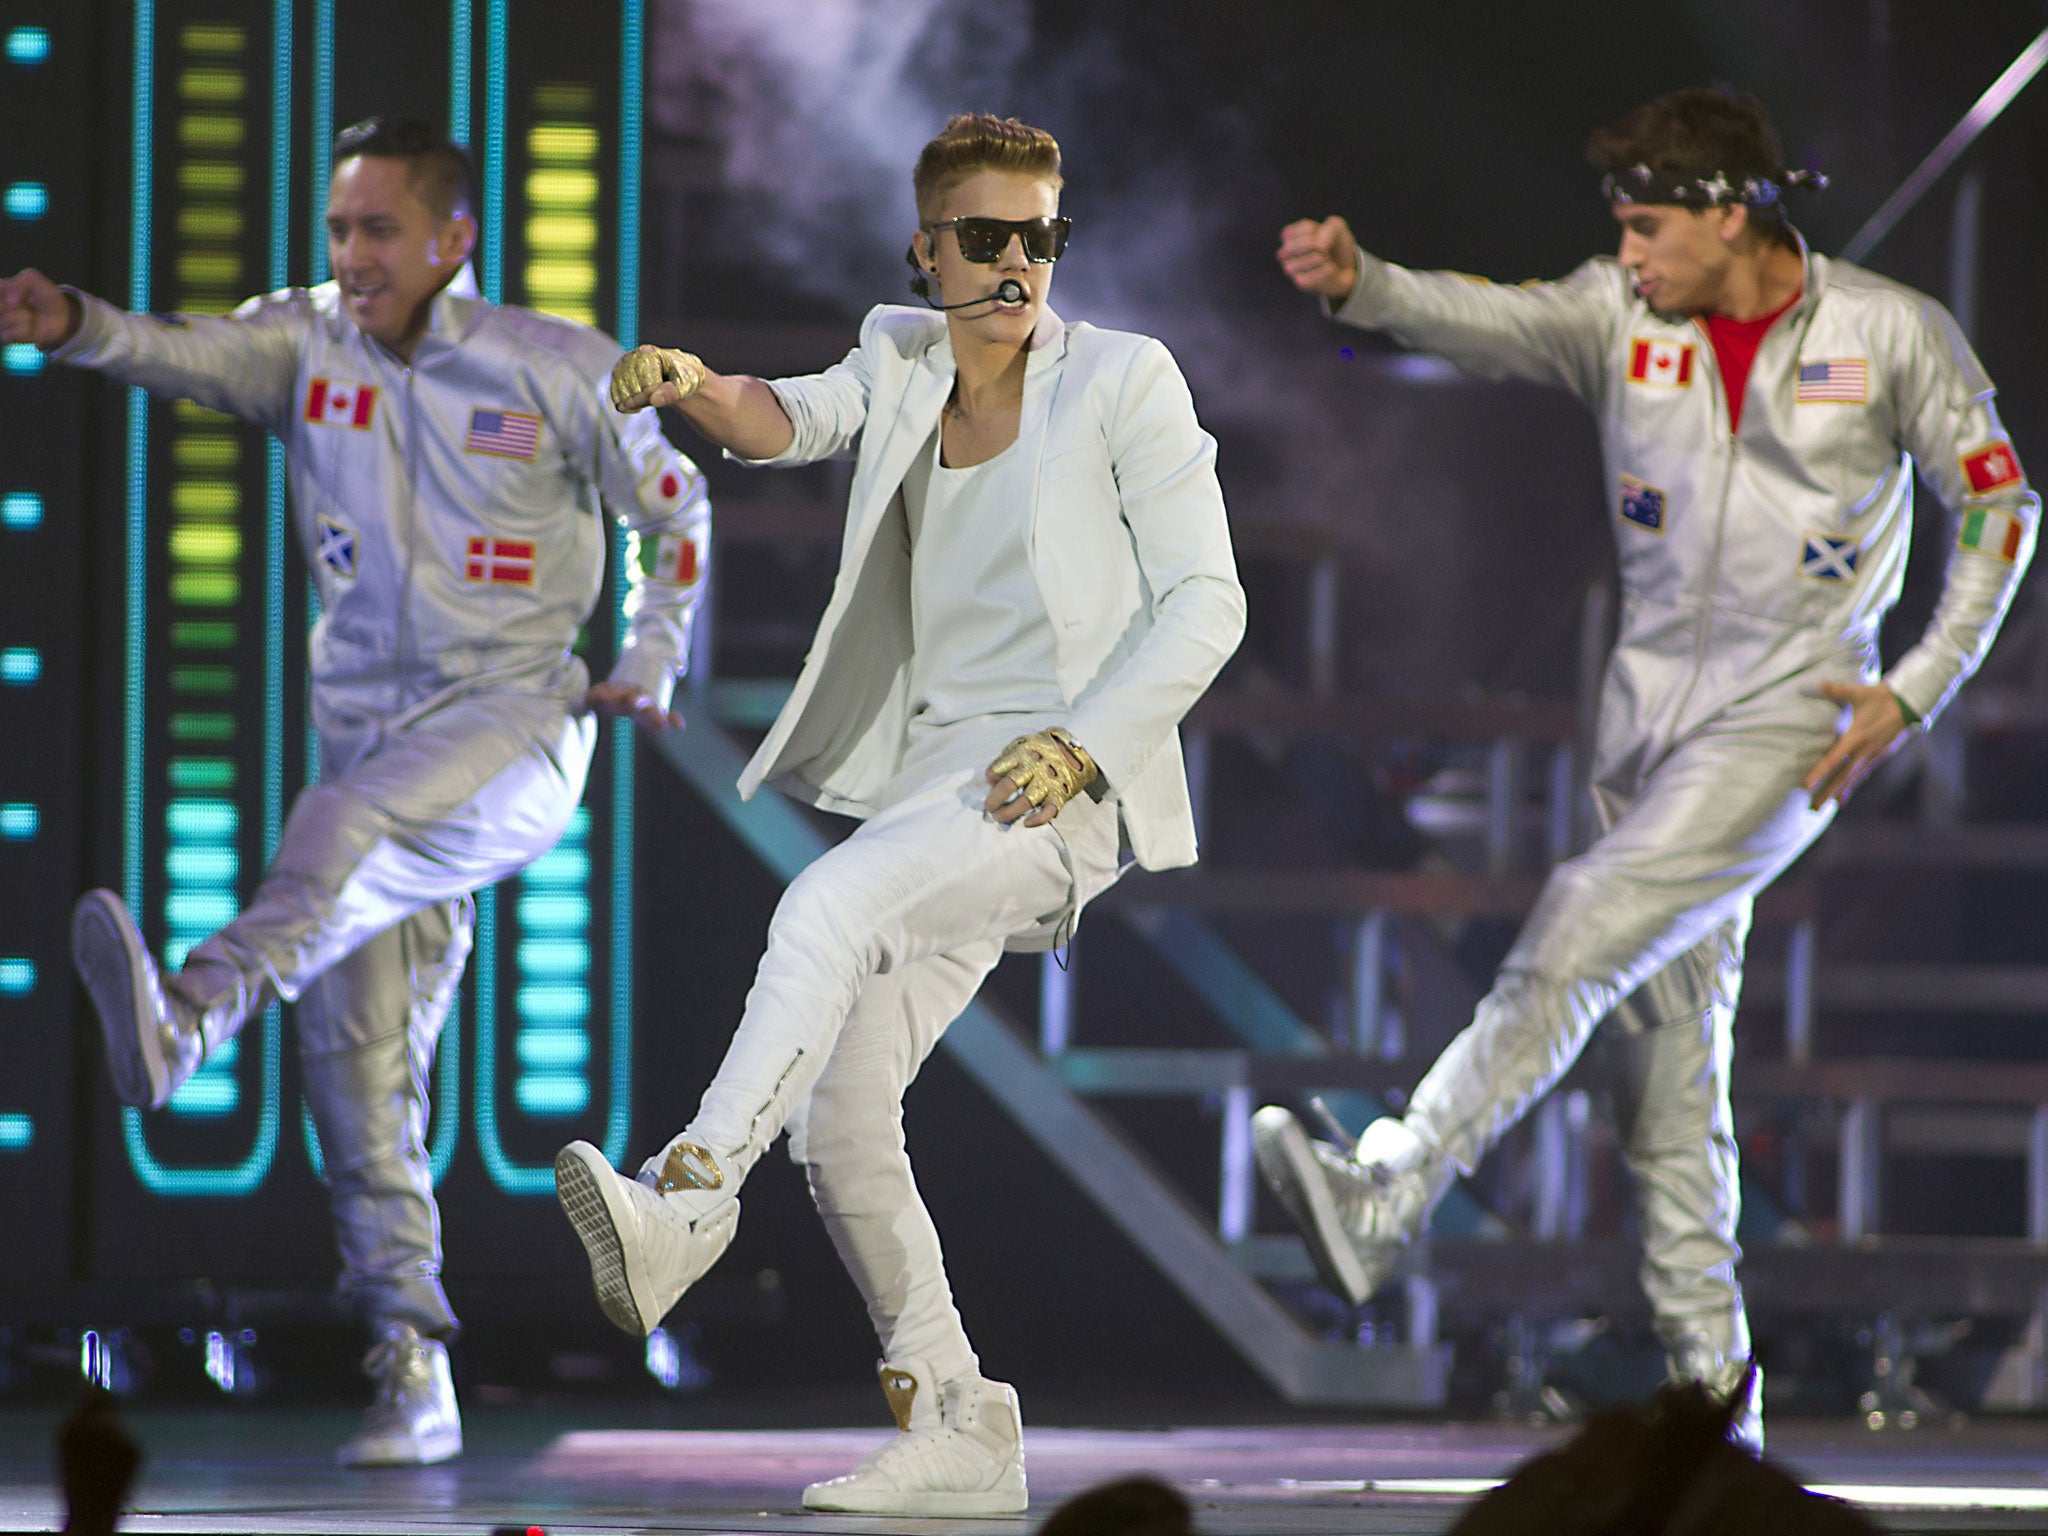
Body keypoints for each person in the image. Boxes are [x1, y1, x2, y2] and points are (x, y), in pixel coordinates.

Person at [1257, 85, 2037, 1455]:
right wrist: (1362, 281)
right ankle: (1710, 1407)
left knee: (1569, 935)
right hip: (1641, 732)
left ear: (1734, 212)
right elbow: (1483, 318)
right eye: (1621, 229)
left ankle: (1391, 1186)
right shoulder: (1617, 320)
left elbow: (2000, 508)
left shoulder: (1891, 330)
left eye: (1652, 226)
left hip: (1794, 719)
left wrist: (1914, 689)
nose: (1630, 254)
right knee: (1669, 1088)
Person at [553, 113, 1243, 1517]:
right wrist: (689, 381)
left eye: (1038, 238)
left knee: (823, 905)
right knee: (846, 1113)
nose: (1013, 265)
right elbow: (791, 414)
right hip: (940, 783)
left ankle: (689, 1196)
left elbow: (1209, 602)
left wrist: (1085, 744)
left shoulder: (1124, 381)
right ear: (926, 249)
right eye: (983, 238)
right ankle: (961, 1418)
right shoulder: (902, 354)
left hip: (1051, 787)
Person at [0, 115, 708, 1466]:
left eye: (378, 228)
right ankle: (410, 1363)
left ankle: (196, 1016)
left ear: (454, 239)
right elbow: (176, 348)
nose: (352, 254)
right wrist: (72, 320)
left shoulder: (555, 365)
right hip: (372, 750)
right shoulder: (303, 341)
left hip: (516, 728)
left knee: (335, 827)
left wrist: (655, 651)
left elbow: (676, 505)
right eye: (338, 229)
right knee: (357, 1068)